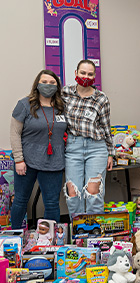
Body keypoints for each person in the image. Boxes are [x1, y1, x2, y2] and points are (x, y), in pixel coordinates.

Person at [10, 70, 66, 229]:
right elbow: (15, 133)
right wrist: (19, 159)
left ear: (57, 86)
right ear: (37, 84)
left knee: (52, 203)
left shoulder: (62, 106)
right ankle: (16, 237)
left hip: (53, 162)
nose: (48, 86)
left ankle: (49, 240)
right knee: (21, 199)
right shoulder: (24, 104)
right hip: (27, 161)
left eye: (52, 83)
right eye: (44, 82)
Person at [63, 60, 114, 216]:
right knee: (73, 192)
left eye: (90, 74)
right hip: (73, 147)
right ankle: (78, 233)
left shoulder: (101, 98)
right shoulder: (65, 93)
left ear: (94, 76)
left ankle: (94, 236)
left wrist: (110, 153)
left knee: (94, 192)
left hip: (96, 148)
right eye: (83, 73)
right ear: (76, 73)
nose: (86, 76)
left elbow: (106, 127)